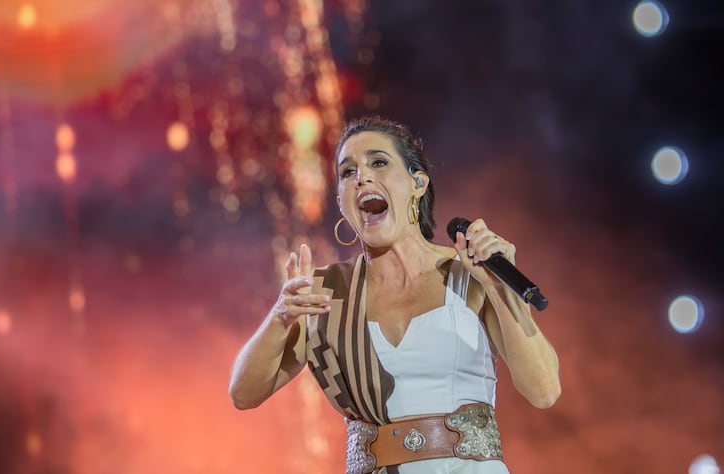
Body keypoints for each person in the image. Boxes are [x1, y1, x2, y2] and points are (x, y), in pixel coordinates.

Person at [229, 116, 561, 474]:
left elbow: (543, 390)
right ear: (341, 202)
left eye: (378, 162)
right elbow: (244, 394)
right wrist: (280, 317)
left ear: (418, 183)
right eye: (347, 172)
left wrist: (499, 288)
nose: (361, 177)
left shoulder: (471, 275)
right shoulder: (327, 294)